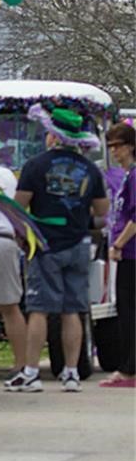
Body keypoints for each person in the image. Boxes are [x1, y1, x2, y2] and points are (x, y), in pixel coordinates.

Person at [8, 106, 108, 392]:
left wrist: (22, 236)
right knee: (72, 309)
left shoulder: (36, 165)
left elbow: (18, 207)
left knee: (39, 309)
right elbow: (102, 210)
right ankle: (72, 372)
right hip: (78, 243)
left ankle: (30, 373)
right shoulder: (89, 168)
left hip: (45, 245)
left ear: (52, 134)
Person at [0, 160, 28, 380]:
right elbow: (17, 208)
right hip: (4, 238)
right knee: (10, 307)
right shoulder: (6, 174)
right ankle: (22, 365)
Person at [102, 122, 135, 388]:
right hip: (127, 251)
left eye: (118, 146)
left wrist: (119, 244)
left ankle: (128, 369)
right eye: (111, 146)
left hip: (132, 252)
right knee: (125, 309)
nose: (115, 152)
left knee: (129, 310)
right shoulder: (125, 176)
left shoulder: (134, 176)